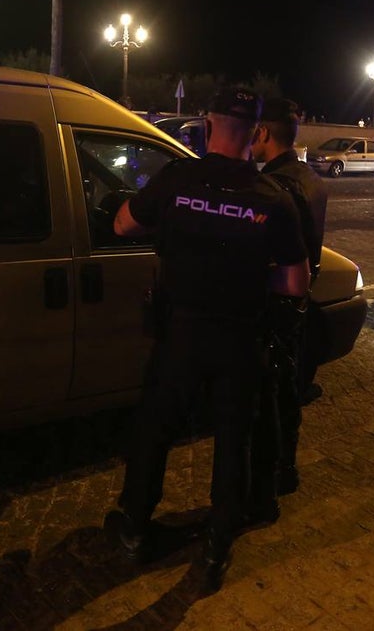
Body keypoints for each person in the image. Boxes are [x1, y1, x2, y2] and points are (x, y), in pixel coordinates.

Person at [104, 86, 311, 593]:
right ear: (257, 133)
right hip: (240, 339)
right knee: (233, 440)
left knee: (156, 429)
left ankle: (134, 525)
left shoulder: (177, 179)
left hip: (181, 333)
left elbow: (123, 223)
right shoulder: (273, 198)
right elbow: (294, 283)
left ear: (206, 121)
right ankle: (218, 543)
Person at [249, 97, 330, 514]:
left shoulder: (277, 186)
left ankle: (270, 482)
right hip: (300, 302)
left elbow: (275, 253)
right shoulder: (311, 179)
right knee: (289, 391)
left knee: (270, 397)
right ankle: (287, 470)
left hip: (276, 303)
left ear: (262, 134)